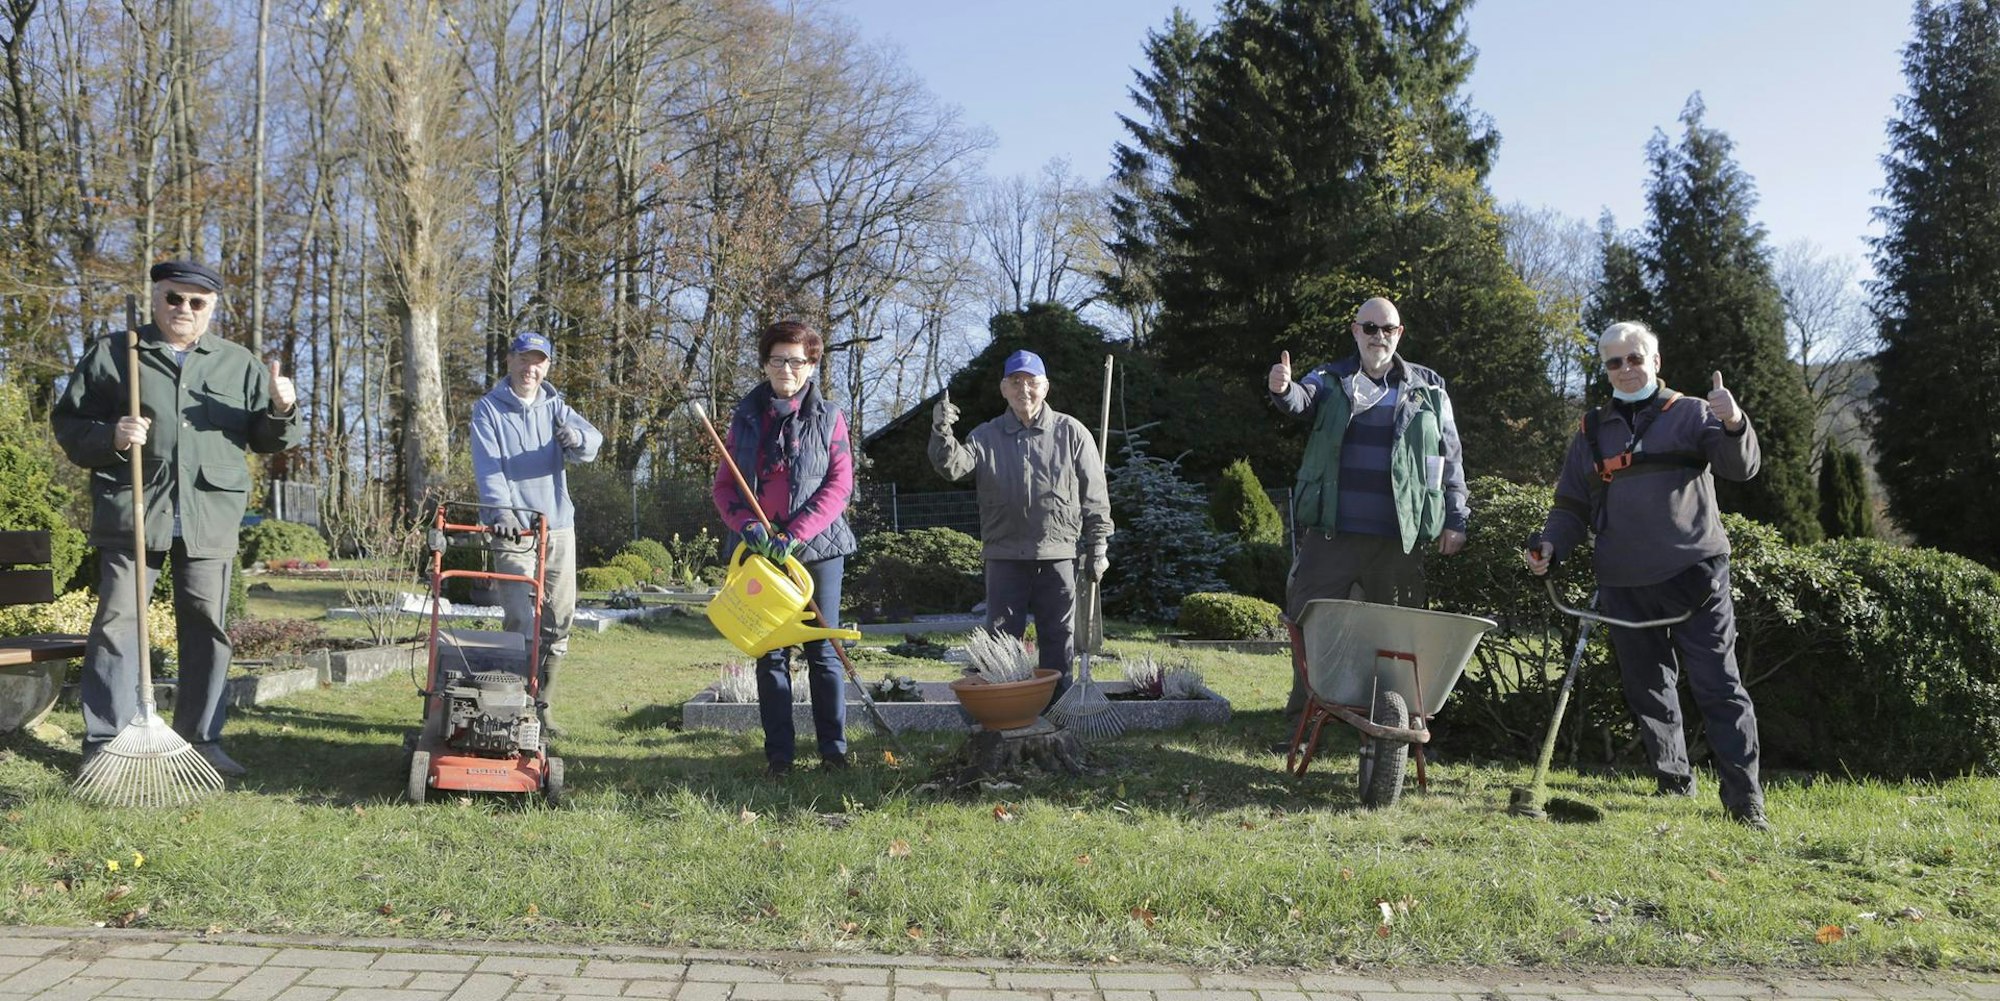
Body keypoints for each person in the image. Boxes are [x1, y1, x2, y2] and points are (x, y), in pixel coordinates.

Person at [52, 260, 301, 778]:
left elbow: (267, 439)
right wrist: (112, 436)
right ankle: (106, 742)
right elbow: (69, 423)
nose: (183, 309)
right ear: (156, 298)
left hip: (210, 515)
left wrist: (281, 409)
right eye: (173, 298)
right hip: (134, 510)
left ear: (211, 308)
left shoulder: (238, 364)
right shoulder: (115, 354)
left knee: (207, 629)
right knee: (118, 625)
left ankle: (201, 741)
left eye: (196, 301)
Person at [1525, 320, 1769, 830]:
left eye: (1635, 358)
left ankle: (1745, 801)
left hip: (1695, 575)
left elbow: (1740, 467)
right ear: (1605, 369)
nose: (1626, 369)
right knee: (1646, 686)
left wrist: (1733, 422)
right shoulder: (1591, 430)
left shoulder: (1693, 413)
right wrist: (1551, 545)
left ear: (1655, 362)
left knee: (1718, 685)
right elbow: (1571, 505)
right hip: (1622, 580)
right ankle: (1673, 780)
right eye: (1614, 362)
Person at [1267, 296, 1469, 747]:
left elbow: (1449, 457)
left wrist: (1456, 517)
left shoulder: (1429, 387)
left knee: (1397, 645)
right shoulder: (1330, 378)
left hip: (1398, 542)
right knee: (1309, 629)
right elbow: (1300, 400)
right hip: (1331, 536)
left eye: (1388, 328)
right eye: (1370, 328)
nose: (1380, 336)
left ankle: (1387, 736)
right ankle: (1304, 728)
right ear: (1355, 331)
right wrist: (1283, 389)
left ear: (1400, 334)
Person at [711, 320, 858, 777]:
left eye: (796, 360)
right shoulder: (745, 417)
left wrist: (797, 532)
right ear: (765, 363)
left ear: (811, 365)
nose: (786, 369)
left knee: (822, 650)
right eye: (777, 360)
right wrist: (747, 525)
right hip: (761, 554)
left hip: (817, 551)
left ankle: (833, 752)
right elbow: (724, 487)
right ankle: (780, 757)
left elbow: (840, 484)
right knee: (770, 652)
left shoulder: (830, 417)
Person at [930, 350, 1114, 703]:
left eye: (1031, 382)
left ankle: (1057, 709)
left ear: (1045, 387)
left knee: (1058, 638)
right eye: (1015, 382)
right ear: (1004, 389)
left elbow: (1094, 494)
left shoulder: (1071, 433)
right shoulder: (986, 436)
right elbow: (952, 467)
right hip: (1005, 555)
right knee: (1001, 643)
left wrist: (1098, 546)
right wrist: (941, 430)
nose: (1023, 389)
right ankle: (1005, 710)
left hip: (1057, 553)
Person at [470, 332, 602, 740]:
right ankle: (511, 710)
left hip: (558, 525)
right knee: (520, 617)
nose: (531, 368)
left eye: (539, 361)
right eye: (524, 359)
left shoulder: (556, 407)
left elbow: (592, 441)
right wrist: (502, 511)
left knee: (559, 618)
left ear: (547, 366)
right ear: (510, 361)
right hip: (514, 528)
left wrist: (577, 439)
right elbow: (489, 467)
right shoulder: (489, 409)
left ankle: (542, 707)